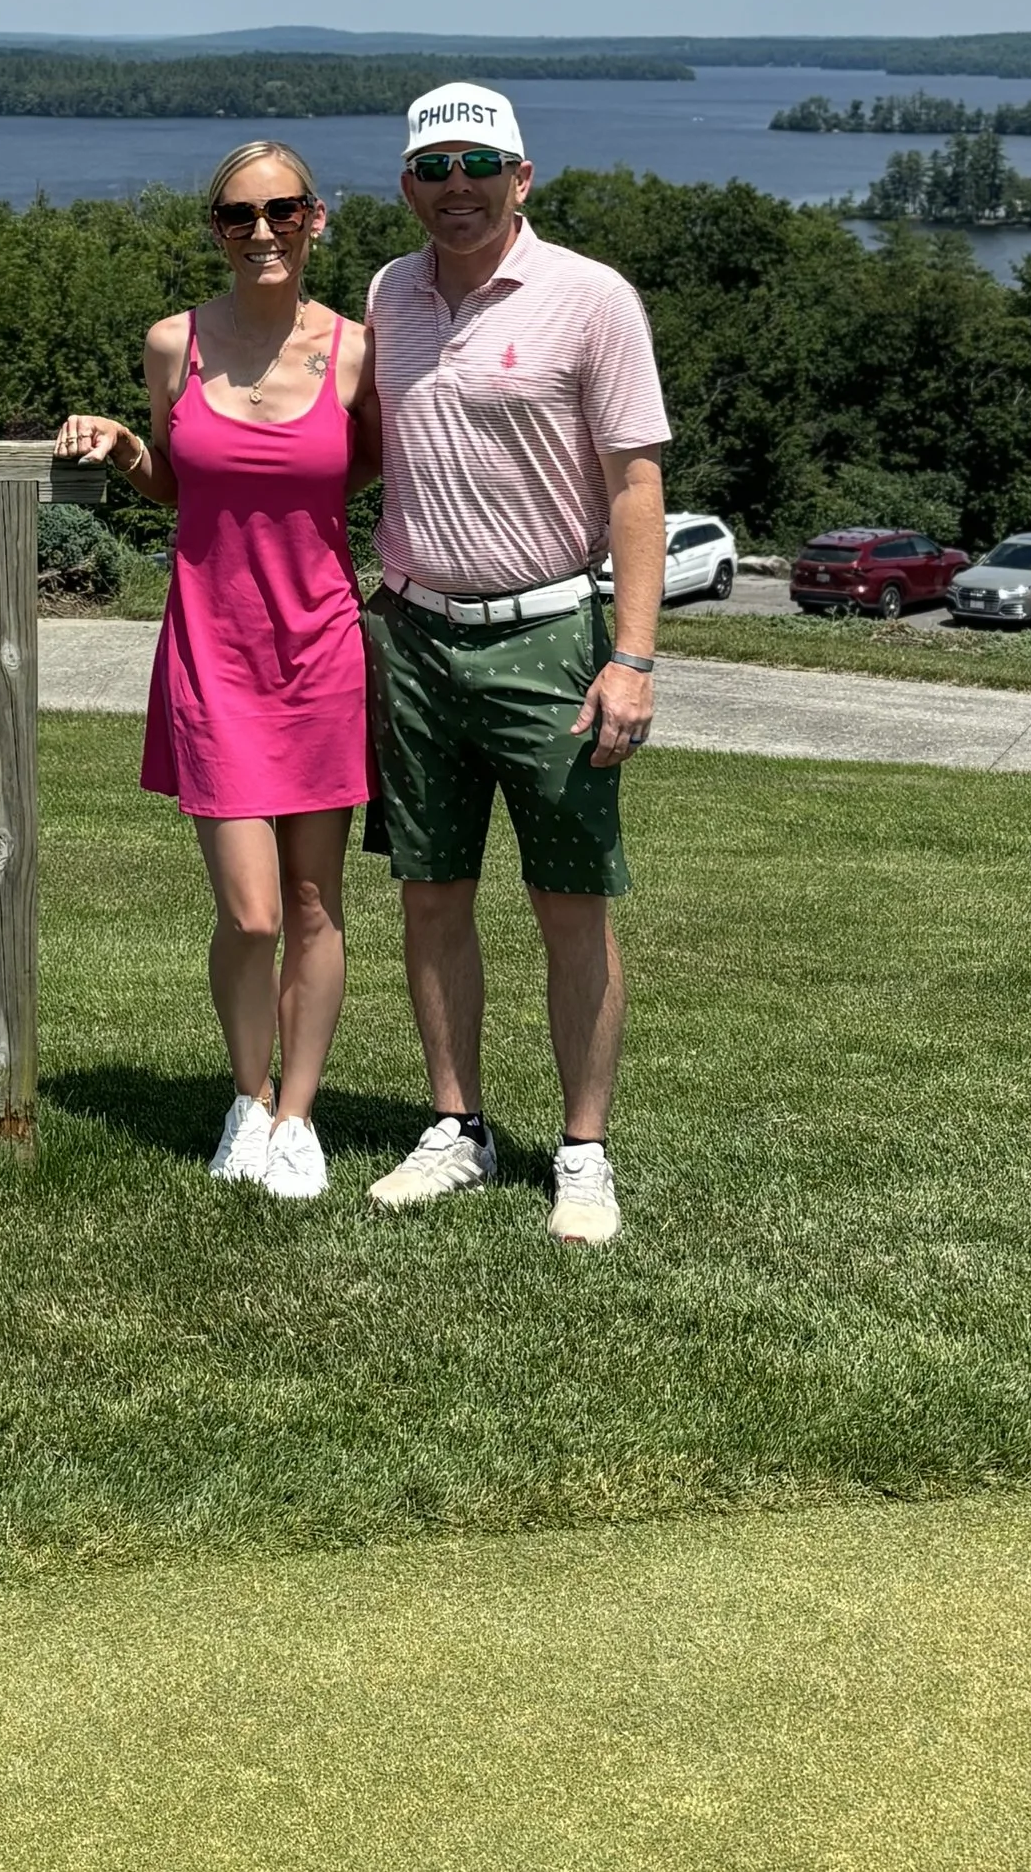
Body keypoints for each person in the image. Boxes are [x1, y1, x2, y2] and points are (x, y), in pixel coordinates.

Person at [351, 81, 669, 1244]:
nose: (457, 190)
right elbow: (347, 447)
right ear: (407, 188)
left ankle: (582, 1153)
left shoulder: (591, 298)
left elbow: (637, 484)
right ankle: (457, 1128)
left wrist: (630, 658)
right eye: (433, 171)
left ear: (521, 178)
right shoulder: (388, 295)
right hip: (415, 634)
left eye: (478, 166)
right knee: (429, 895)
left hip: (551, 635)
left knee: (569, 902)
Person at [55, 140, 373, 1202]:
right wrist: (117, 444)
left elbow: (364, 468)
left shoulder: (358, 353)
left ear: (316, 219)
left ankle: (296, 1118)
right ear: (216, 231)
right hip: (212, 650)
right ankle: (246, 1097)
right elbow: (171, 485)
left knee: (316, 903)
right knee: (251, 913)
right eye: (238, 216)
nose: (262, 231)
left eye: (282, 210)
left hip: (321, 649)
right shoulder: (173, 346)